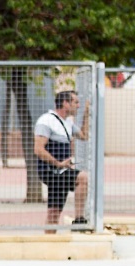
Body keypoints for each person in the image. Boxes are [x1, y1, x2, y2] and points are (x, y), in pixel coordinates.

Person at [34, 90, 91, 233]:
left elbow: (84, 136)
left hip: (62, 171)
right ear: (65, 103)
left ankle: (48, 243)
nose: (78, 106)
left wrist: (86, 114)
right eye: (75, 102)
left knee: (53, 214)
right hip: (51, 170)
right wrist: (58, 163)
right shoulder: (46, 120)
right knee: (82, 177)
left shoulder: (67, 123)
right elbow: (38, 149)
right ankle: (79, 220)